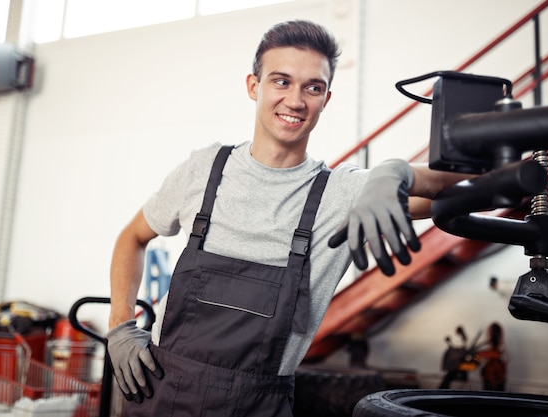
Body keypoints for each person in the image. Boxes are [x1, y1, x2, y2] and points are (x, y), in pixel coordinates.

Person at [107, 20, 469, 416]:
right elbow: (132, 237)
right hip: (160, 393)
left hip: (256, 407)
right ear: (253, 86)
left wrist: (397, 172)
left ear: (326, 99)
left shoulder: (341, 193)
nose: (295, 101)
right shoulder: (205, 170)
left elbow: (470, 189)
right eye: (281, 81)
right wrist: (120, 325)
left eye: (312, 87)